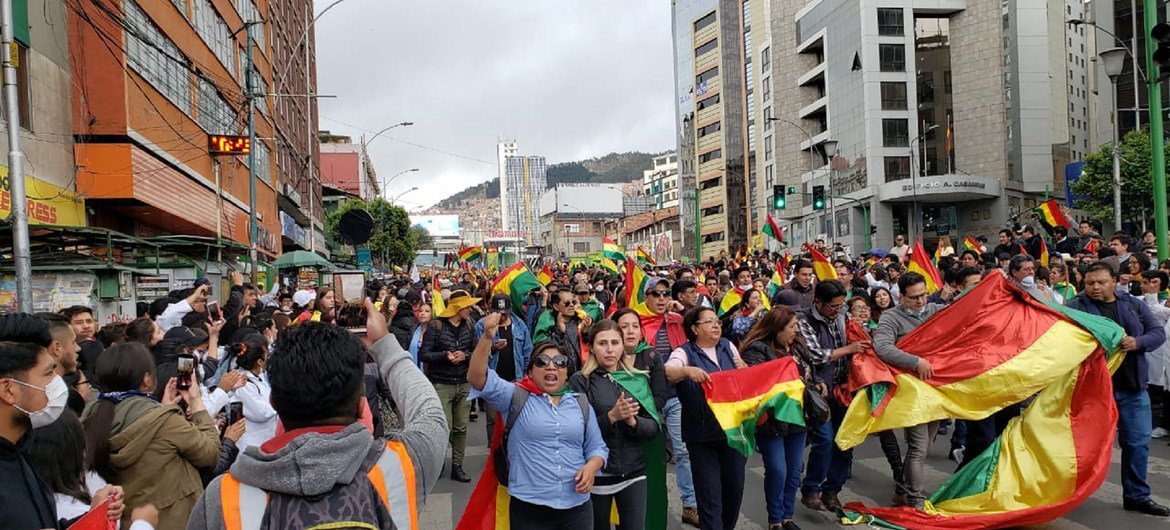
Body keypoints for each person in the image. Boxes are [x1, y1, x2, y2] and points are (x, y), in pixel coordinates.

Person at [187, 299, 448, 529]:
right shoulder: (401, 466)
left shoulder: (221, 500)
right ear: (361, 405)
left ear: (274, 401)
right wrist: (383, 345)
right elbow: (430, 413)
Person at [468, 314, 608, 530]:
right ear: (531, 372)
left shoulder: (580, 403)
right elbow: (477, 378)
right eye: (542, 362)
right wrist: (487, 338)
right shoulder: (515, 396)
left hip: (577, 508)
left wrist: (591, 466)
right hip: (529, 509)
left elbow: (597, 447)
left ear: (566, 372)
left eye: (560, 363)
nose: (552, 367)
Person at [1066, 262, 1170, 516]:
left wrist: (1138, 342)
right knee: (1083, 446)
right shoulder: (1075, 308)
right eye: (1090, 283)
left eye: (1101, 282)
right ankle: (1066, 494)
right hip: (1093, 392)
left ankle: (1136, 495)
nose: (1095, 287)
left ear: (1114, 281)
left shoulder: (1133, 304)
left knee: (1137, 444)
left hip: (1133, 388)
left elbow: (1157, 333)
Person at [81, 342, 220, 528]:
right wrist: (195, 401)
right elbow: (209, 453)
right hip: (170, 521)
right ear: (147, 379)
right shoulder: (164, 421)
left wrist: (163, 411)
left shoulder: (90, 417)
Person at [663, 307, 749, 530]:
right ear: (694, 329)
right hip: (701, 435)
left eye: (717, 322)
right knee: (709, 493)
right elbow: (668, 371)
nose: (716, 326)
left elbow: (743, 374)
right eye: (709, 322)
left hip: (733, 431)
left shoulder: (728, 346)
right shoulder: (684, 352)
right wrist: (687, 371)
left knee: (734, 488)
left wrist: (746, 370)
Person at [570, 320, 660, 530]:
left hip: (634, 471)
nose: (609, 349)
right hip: (599, 474)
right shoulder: (580, 380)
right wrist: (611, 417)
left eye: (614, 342)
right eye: (602, 343)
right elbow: (579, 431)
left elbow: (654, 428)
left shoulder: (637, 379)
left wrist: (633, 422)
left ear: (623, 346)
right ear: (591, 347)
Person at [739, 307, 820, 530]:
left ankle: (787, 516)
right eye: (792, 326)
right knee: (777, 469)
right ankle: (774, 519)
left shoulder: (798, 346)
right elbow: (758, 381)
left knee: (794, 470)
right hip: (772, 420)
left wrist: (816, 383)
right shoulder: (757, 349)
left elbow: (810, 369)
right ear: (777, 329)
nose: (796, 330)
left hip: (798, 417)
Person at [873, 272, 945, 510]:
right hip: (911, 392)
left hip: (938, 390)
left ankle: (902, 490)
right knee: (918, 447)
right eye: (914, 297)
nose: (921, 301)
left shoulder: (937, 310)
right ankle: (914, 499)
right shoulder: (890, 317)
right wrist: (915, 361)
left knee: (926, 445)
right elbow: (882, 347)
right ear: (901, 296)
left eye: (924, 295)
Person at [798, 280, 868, 512]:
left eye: (841, 306)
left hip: (846, 388)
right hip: (820, 390)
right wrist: (848, 350)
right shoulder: (804, 320)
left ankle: (832, 490)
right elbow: (815, 355)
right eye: (833, 307)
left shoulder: (843, 316)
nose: (838, 311)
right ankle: (811, 488)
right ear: (818, 303)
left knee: (846, 441)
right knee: (825, 440)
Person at [638, 277, 697, 526]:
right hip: (645, 399)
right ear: (646, 297)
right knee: (646, 456)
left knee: (683, 451)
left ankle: (690, 505)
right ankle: (642, 507)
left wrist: (683, 310)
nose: (661, 299)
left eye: (664, 294)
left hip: (674, 396)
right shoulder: (635, 322)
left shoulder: (677, 321)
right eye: (655, 294)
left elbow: (701, 328)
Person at [418, 289, 479, 483]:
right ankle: (437, 464)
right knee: (444, 428)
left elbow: (475, 351)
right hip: (442, 383)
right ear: (457, 307)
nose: (470, 309)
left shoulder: (469, 325)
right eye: (466, 306)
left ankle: (457, 466)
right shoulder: (436, 326)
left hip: (463, 383)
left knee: (461, 428)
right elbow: (424, 354)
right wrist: (445, 355)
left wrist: (465, 356)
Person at [474, 294, 534, 438]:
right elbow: (477, 354)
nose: (500, 316)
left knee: (516, 418)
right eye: (497, 312)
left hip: (516, 379)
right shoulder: (482, 325)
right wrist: (492, 348)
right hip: (492, 380)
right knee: (493, 420)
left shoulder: (519, 325)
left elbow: (527, 351)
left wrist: (525, 375)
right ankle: (495, 453)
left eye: (504, 313)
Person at [225, 332, 277, 455]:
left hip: (265, 439)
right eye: (267, 355)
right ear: (259, 361)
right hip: (251, 444)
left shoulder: (259, 376)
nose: (268, 357)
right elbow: (262, 412)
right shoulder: (243, 384)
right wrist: (281, 402)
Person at [533, 290, 591, 372]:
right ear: (556, 306)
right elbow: (540, 348)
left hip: (582, 373)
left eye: (573, 302)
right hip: (559, 374)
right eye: (567, 303)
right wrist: (559, 332)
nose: (571, 305)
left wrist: (586, 332)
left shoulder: (581, 321)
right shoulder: (547, 322)